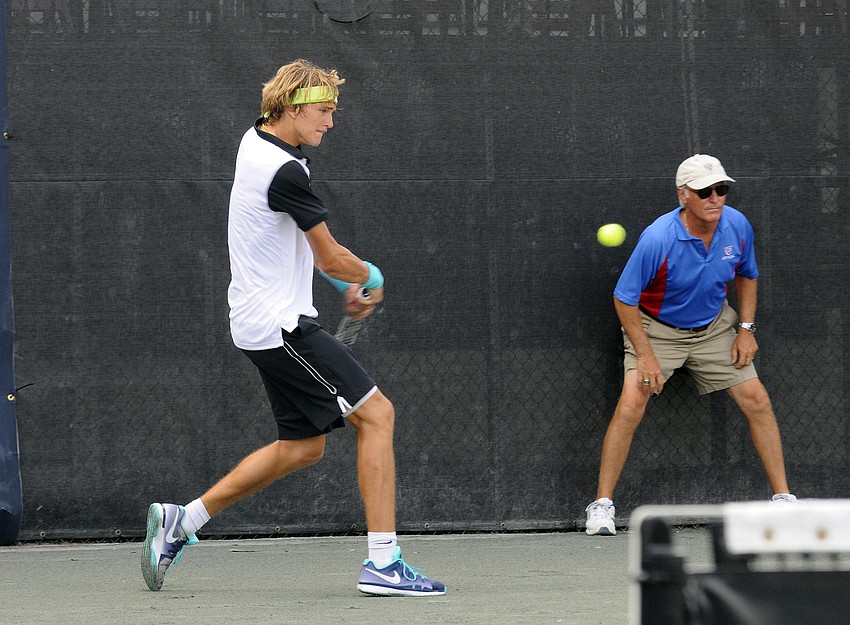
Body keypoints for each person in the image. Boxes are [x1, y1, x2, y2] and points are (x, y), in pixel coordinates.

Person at [141, 59, 445, 596]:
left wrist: (338, 283)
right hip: (281, 327)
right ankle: (383, 564)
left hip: (257, 323)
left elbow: (293, 240)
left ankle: (182, 521)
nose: (330, 121)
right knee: (378, 415)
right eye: (323, 110)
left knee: (303, 447)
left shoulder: (255, 141)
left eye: (332, 110)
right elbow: (329, 255)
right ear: (291, 108)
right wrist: (369, 276)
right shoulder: (285, 171)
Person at [585, 154, 798, 537]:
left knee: (757, 399)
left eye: (721, 189)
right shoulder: (658, 238)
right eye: (704, 191)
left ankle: (783, 499)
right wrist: (646, 354)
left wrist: (746, 328)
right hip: (657, 330)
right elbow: (624, 299)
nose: (715, 197)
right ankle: (601, 506)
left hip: (715, 327)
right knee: (631, 403)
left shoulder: (737, 226)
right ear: (683, 195)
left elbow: (747, 274)